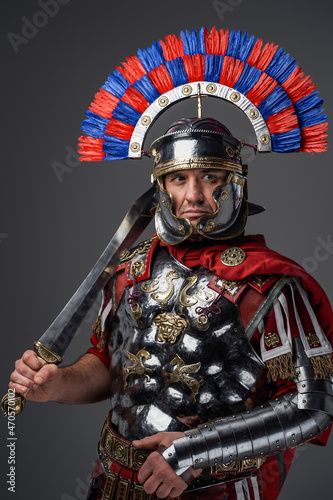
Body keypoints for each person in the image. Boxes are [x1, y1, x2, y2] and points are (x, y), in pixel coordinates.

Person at [6, 26, 333, 500]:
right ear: (161, 187)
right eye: (179, 179)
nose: (194, 196)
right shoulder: (129, 269)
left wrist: (197, 450)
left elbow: (314, 406)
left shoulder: (272, 284)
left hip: (216, 485)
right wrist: (59, 385)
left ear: (235, 183)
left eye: (210, 176)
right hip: (113, 482)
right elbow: (110, 364)